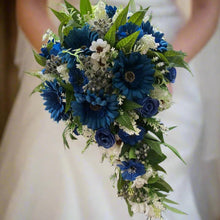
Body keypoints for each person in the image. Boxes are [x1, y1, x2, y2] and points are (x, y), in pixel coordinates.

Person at [0, 0, 219, 219]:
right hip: (68, 56)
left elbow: (207, 8)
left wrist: (164, 67)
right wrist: (68, 70)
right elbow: (29, 5)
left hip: (164, 52)